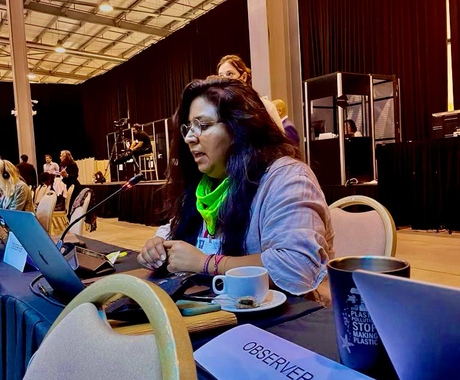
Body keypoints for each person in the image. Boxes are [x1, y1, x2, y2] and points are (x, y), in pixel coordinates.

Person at [137, 78, 334, 299]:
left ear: (239, 128)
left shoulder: (287, 178)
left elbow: (296, 267)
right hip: (224, 310)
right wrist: (158, 246)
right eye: (188, 128)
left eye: (202, 125)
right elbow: (175, 229)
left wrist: (206, 263)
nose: (190, 138)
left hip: (288, 319)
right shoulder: (206, 183)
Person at [216, 54, 284, 132]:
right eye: (221, 76)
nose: (225, 79)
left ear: (243, 77)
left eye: (230, 74)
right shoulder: (217, 111)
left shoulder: (266, 107)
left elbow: (281, 142)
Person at [59, 150, 82, 216]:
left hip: (74, 187)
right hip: (67, 185)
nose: (60, 157)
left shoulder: (73, 164)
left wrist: (67, 175)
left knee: (72, 205)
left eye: (61, 155)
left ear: (65, 156)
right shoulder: (63, 164)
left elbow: (75, 175)